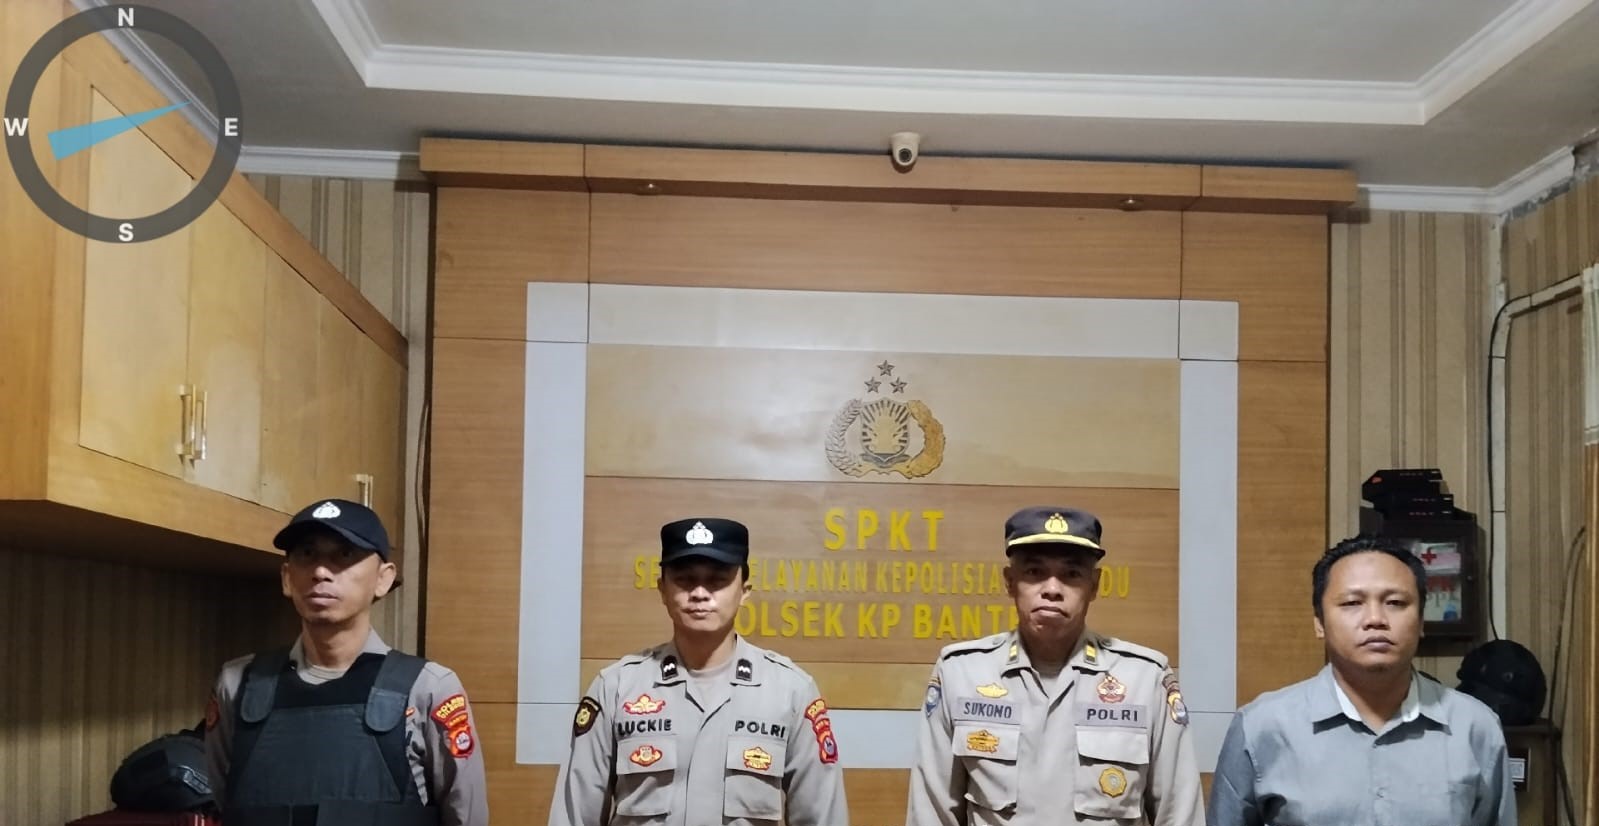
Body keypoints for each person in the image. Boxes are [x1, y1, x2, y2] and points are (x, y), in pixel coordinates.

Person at [906, 506, 1204, 826]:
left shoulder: (1144, 680)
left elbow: (1180, 815)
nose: (1051, 589)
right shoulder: (962, 674)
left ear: (1094, 585)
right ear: (1010, 582)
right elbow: (931, 814)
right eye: (1034, 572)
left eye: (1071, 574)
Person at [202, 498, 488, 826]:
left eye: (345, 554)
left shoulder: (427, 689)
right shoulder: (237, 684)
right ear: (287, 577)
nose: (321, 572)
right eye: (307, 554)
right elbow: (222, 802)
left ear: (383, 578)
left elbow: (467, 818)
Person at [549, 517, 849, 826]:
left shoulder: (790, 692)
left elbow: (822, 818)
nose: (700, 593)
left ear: (744, 590)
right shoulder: (616, 688)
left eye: (717, 580)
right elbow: (573, 817)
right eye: (685, 579)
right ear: (662, 590)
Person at [1206, 535, 1517, 826]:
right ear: (1319, 623)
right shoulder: (1261, 727)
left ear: (1421, 621)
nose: (1375, 619)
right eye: (1352, 603)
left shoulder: (1475, 727)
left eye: (1395, 603)